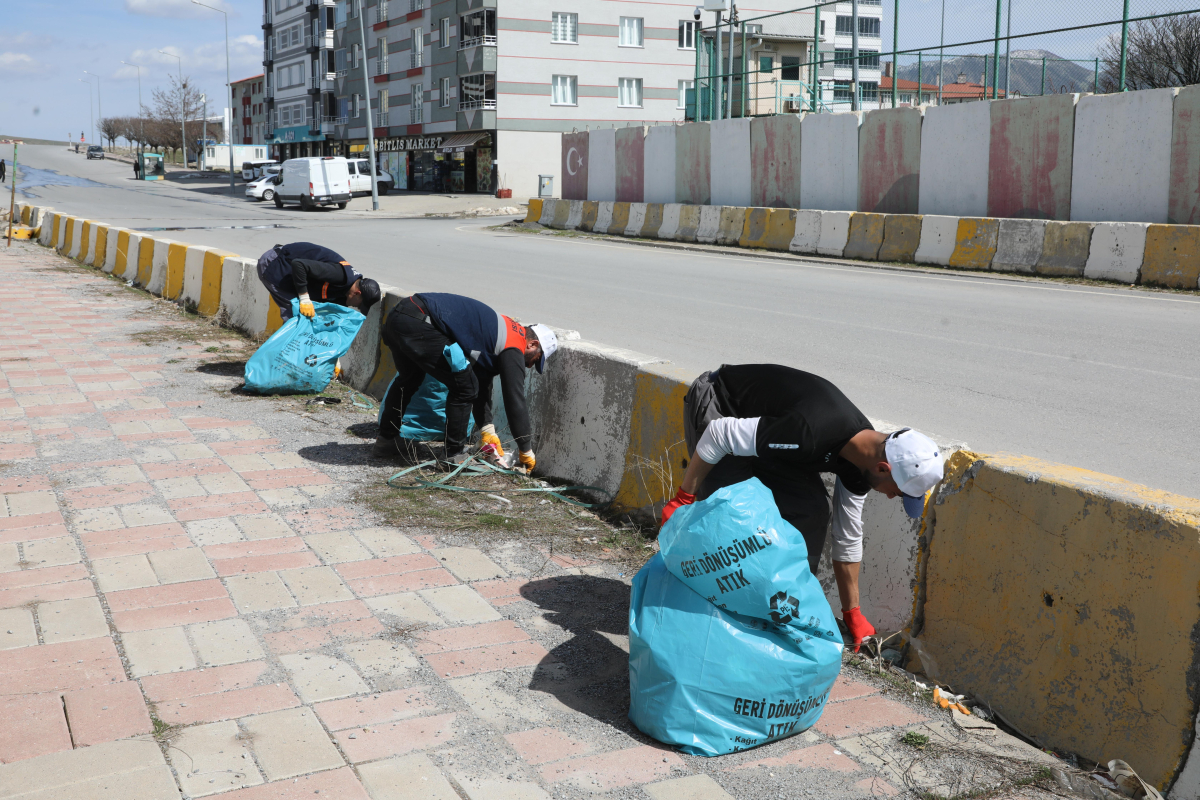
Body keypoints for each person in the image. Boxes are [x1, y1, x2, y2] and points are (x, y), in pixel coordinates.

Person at [661, 364, 945, 651]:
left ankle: (781, 611)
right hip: (722, 406)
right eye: (898, 492)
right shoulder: (811, 432)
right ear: (884, 468)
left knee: (811, 511)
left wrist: (852, 612)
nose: (890, 497)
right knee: (733, 516)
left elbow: (847, 535)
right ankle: (709, 619)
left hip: (767, 431)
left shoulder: (860, 463)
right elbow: (719, 434)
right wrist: (684, 497)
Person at [373, 293, 558, 468]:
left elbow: (480, 382)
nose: (529, 366)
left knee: (410, 378)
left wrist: (487, 429)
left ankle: (387, 440)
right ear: (532, 344)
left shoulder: (500, 333)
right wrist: (526, 449)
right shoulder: (514, 346)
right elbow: (515, 400)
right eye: (535, 359)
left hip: (400, 316)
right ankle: (454, 456)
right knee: (463, 388)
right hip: (420, 322)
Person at [255, 242, 380, 321]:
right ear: (357, 293)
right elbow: (299, 265)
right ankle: (286, 360)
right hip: (276, 264)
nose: (355, 307)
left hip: (289, 275)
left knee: (308, 319)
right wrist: (304, 299)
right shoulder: (339, 275)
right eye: (359, 304)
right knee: (297, 318)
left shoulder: (345, 293)